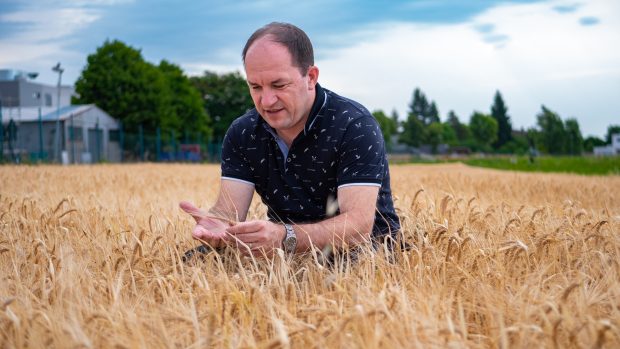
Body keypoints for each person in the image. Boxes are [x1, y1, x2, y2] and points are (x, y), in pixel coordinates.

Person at [180, 22, 400, 259]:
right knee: (194, 262)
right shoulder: (242, 133)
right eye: (255, 87)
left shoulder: (354, 125)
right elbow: (228, 212)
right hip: (282, 254)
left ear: (311, 77)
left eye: (279, 85)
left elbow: (358, 228)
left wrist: (285, 237)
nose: (266, 101)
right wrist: (219, 227)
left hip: (363, 254)